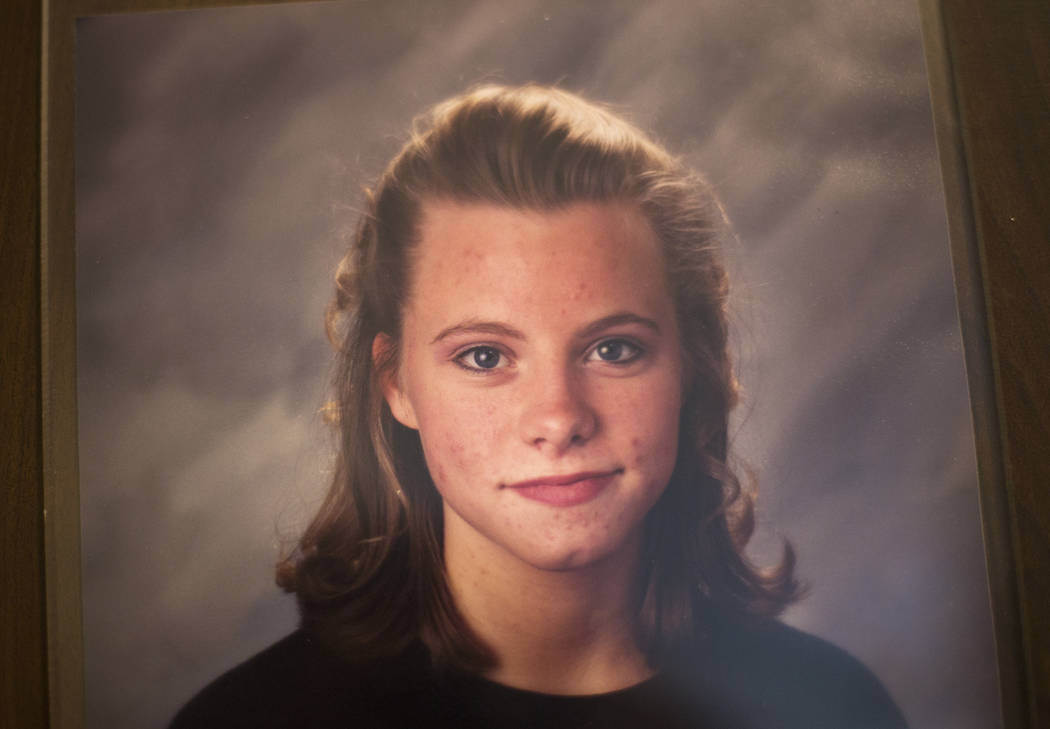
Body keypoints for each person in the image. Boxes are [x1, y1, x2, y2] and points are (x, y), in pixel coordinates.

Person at [170, 84, 908, 728]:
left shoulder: (833, 708)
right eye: (485, 356)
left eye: (613, 349)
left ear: (693, 364)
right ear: (395, 384)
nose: (559, 417)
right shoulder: (251, 722)